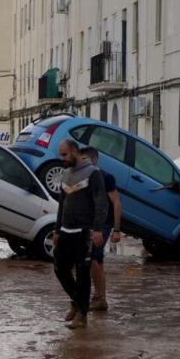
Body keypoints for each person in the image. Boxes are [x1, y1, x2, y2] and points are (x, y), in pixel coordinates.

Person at [53, 139, 108, 329]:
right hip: (66, 231)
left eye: (65, 154)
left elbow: (101, 203)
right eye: (60, 155)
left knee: (83, 274)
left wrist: (98, 229)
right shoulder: (66, 174)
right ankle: (77, 301)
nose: (62, 159)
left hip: (85, 232)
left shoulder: (93, 174)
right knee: (60, 269)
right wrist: (57, 230)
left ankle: (82, 316)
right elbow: (62, 204)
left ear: (75, 152)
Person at [81, 147, 122, 312]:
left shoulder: (106, 177)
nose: (82, 162)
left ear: (94, 160)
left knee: (94, 258)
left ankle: (99, 298)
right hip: (89, 224)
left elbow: (117, 203)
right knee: (95, 260)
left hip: (104, 224)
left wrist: (117, 230)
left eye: (85, 159)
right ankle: (100, 298)